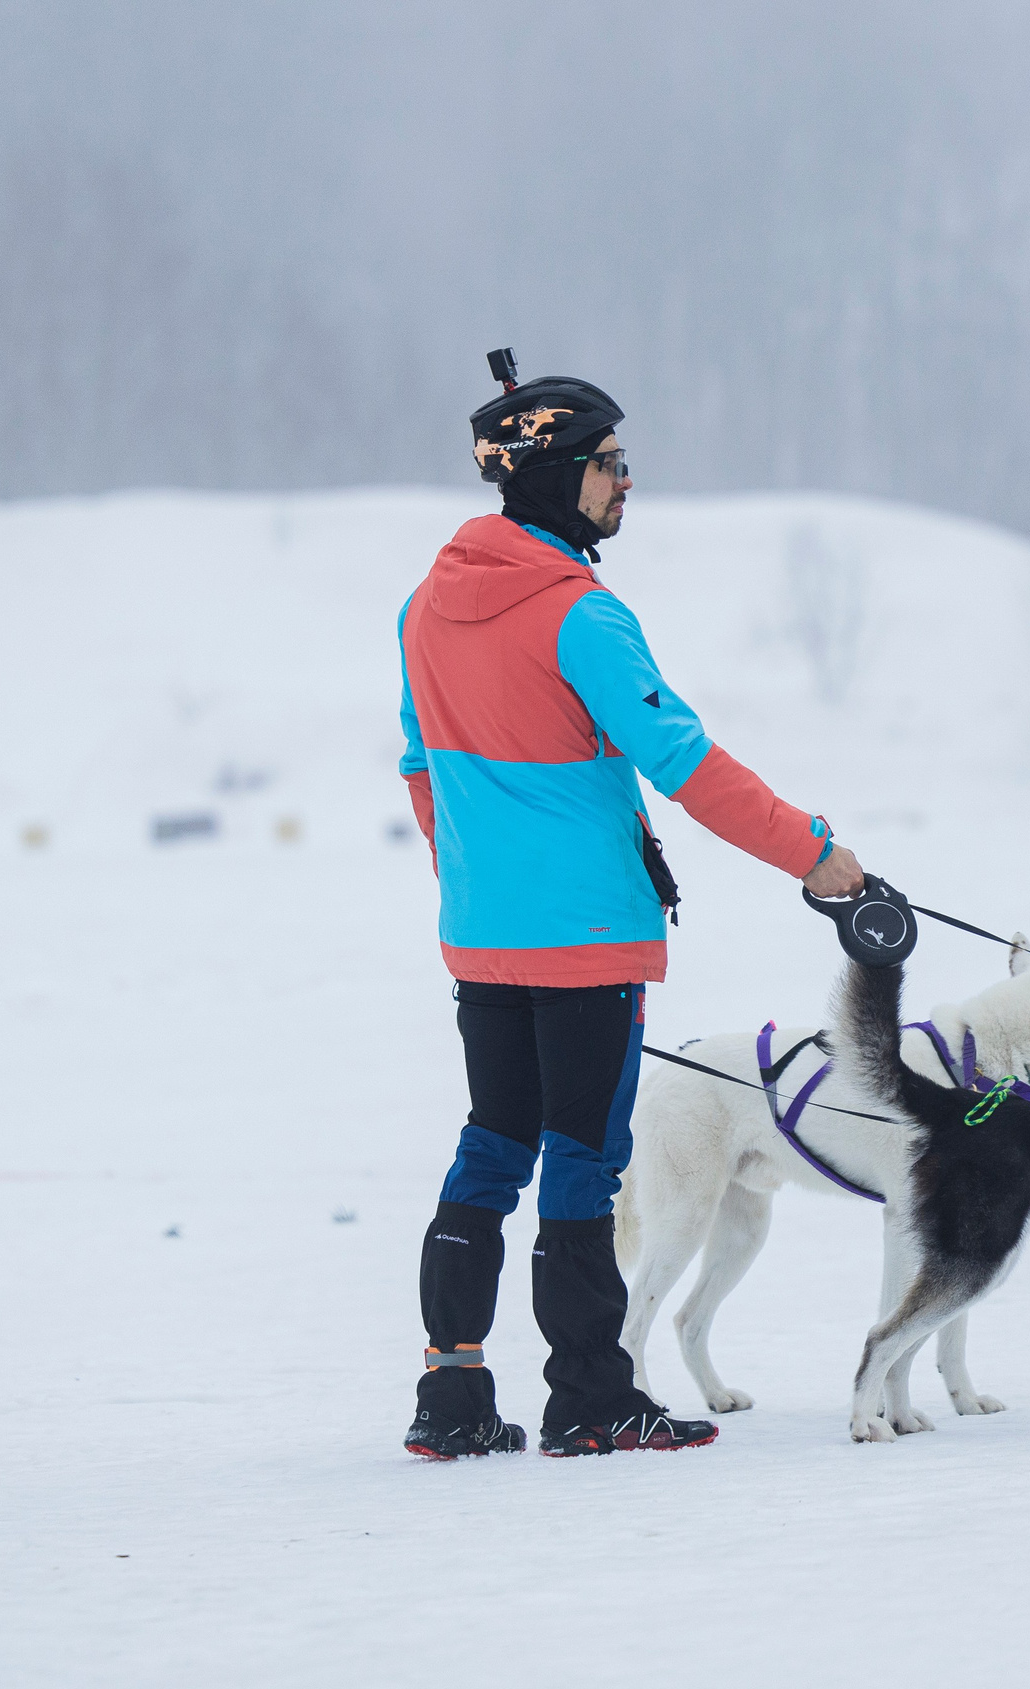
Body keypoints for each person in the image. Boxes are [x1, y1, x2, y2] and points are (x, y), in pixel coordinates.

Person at [396, 359, 866, 1459]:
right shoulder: (580, 615)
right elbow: (683, 761)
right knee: (581, 1156)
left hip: (482, 934)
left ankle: (451, 1391)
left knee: (489, 1146)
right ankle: (594, 1393)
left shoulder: (424, 605)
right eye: (610, 464)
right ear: (558, 472)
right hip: (586, 940)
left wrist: (475, 882)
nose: (625, 484)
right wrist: (816, 855)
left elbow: (421, 768)